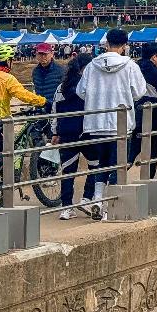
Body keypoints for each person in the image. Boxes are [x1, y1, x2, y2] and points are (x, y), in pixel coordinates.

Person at [76, 28, 146, 218]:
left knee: (101, 164)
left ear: (106, 43)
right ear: (124, 46)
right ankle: (109, 207)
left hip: (96, 123)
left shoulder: (92, 65)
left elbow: (80, 91)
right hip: (120, 124)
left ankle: (97, 199)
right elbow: (139, 92)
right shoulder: (130, 66)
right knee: (118, 164)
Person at [0, 44, 47, 153]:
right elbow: (23, 95)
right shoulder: (7, 78)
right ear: (7, 61)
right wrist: (43, 101)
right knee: (5, 154)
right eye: (12, 60)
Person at [51, 53, 97, 220]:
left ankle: (66, 207)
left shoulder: (62, 86)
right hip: (87, 131)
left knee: (68, 171)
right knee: (96, 165)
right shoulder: (88, 85)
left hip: (66, 132)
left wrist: (55, 132)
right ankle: (86, 198)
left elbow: (55, 110)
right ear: (86, 68)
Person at [130, 42, 157, 179]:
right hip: (152, 116)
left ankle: (114, 180)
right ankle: (147, 183)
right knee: (151, 154)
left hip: (132, 115)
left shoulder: (132, 69)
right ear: (154, 57)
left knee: (130, 152)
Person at [31, 43, 63, 113]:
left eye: (45, 54)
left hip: (55, 110)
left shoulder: (60, 71)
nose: (42, 57)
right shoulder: (35, 72)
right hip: (39, 109)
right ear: (36, 55)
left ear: (52, 54)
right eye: (40, 54)